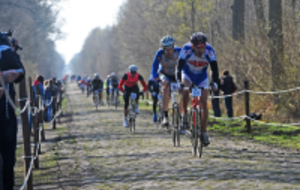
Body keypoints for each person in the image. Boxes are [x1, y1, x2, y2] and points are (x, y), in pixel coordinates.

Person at [177, 32, 220, 146]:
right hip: (188, 74)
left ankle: (204, 131)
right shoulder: (186, 49)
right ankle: (184, 115)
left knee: (204, 101)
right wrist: (179, 82)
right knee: (185, 90)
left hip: (202, 76)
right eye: (198, 48)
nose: (201, 50)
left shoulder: (209, 50)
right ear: (193, 47)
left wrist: (214, 82)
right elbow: (179, 67)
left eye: (203, 47)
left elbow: (215, 68)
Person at [0, 30, 25, 190]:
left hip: (6, 112)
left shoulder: (7, 52)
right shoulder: (7, 51)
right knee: (8, 153)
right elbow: (20, 71)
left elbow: (20, 74)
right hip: (5, 115)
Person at [149, 35, 182, 125]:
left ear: (173, 47)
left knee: (182, 90)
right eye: (167, 50)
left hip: (176, 74)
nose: (169, 52)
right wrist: (158, 80)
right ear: (163, 49)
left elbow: (187, 65)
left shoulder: (180, 51)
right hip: (165, 74)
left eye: (171, 49)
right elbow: (154, 69)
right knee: (165, 88)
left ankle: (182, 116)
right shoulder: (159, 53)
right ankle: (165, 117)